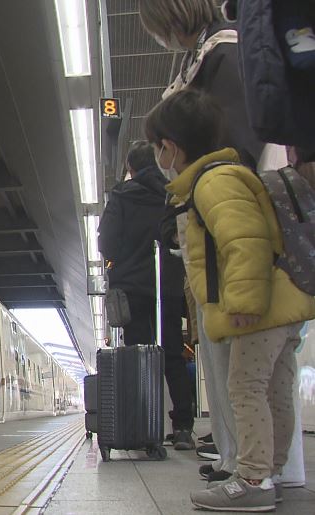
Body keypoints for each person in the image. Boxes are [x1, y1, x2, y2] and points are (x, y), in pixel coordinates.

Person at [145, 88, 315, 512]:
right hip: (280, 305)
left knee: (245, 387)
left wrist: (243, 303)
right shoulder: (227, 173)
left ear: (170, 148)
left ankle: (253, 477)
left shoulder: (213, 182)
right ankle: (270, 472)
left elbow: (245, 242)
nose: (157, 158)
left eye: (156, 148)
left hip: (260, 309)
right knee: (275, 388)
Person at [98, 140, 196, 450]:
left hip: (132, 289)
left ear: (130, 168)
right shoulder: (172, 193)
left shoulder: (121, 196)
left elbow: (107, 245)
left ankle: (141, 426)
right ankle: (182, 427)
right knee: (170, 354)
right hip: (166, 286)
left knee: (138, 355)